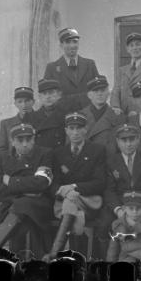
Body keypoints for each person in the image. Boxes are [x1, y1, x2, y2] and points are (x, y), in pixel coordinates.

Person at [43, 112, 106, 261]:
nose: (75, 132)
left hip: (88, 201)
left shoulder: (97, 150)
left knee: (70, 201)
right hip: (66, 202)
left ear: (86, 129)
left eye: (79, 128)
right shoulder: (58, 153)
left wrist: (73, 187)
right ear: (66, 130)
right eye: (71, 128)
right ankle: (74, 257)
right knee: (72, 205)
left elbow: (100, 182)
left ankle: (56, 252)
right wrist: (64, 192)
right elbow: (53, 183)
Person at [95, 123, 141, 260]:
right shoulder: (111, 161)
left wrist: (139, 208)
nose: (128, 144)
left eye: (132, 139)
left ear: (138, 140)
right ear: (117, 142)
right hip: (120, 204)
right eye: (124, 140)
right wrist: (119, 210)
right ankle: (104, 261)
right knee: (104, 224)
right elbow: (109, 190)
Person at [0, 124, 53, 259]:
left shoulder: (45, 154)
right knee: (22, 213)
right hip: (12, 206)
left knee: (22, 207)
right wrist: (27, 189)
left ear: (34, 140)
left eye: (28, 140)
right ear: (12, 141)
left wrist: (11, 182)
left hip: (39, 205)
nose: (25, 144)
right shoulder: (3, 157)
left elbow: (41, 183)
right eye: (20, 140)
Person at [43, 28, 99, 108]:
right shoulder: (52, 68)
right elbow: (47, 95)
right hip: (62, 115)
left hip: (87, 114)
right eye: (68, 42)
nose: (72, 46)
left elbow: (97, 90)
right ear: (61, 45)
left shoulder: (90, 64)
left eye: (75, 42)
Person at [79, 75, 123, 151]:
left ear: (108, 93)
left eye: (103, 90)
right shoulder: (80, 116)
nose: (100, 94)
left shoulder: (118, 116)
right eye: (96, 91)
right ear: (89, 95)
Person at [30, 79, 76, 150]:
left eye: (51, 93)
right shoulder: (32, 117)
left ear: (59, 95)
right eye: (44, 93)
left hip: (59, 156)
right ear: (40, 97)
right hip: (40, 158)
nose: (48, 97)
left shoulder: (67, 115)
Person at [0, 87, 36, 155]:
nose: (24, 105)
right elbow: (0, 151)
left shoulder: (42, 121)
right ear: (15, 104)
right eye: (20, 101)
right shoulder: (6, 124)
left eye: (27, 101)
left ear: (33, 102)